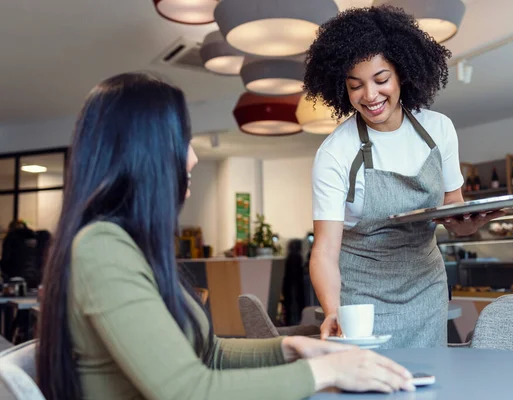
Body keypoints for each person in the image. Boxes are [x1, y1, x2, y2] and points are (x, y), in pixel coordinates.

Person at [36, 73, 416, 400]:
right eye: (183, 141)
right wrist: (329, 373)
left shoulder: (126, 247)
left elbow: (210, 355)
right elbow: (190, 391)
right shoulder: (102, 249)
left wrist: (290, 348)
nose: (193, 158)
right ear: (144, 153)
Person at [304, 6, 503, 349]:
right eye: (356, 86)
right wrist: (333, 311)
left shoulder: (438, 129)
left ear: (403, 74)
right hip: (362, 296)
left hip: (426, 287)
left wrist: (467, 225)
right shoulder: (336, 152)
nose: (370, 95)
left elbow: (451, 208)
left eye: (381, 80)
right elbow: (324, 250)